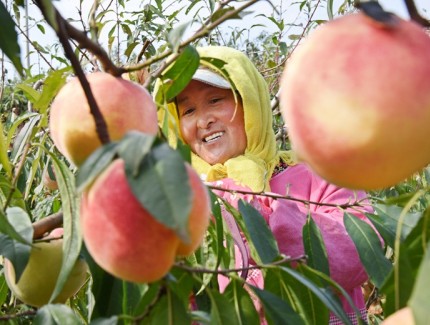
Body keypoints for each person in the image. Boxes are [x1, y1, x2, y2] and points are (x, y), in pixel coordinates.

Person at [156, 46, 374, 324]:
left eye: (215, 100)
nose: (203, 120)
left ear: (250, 103)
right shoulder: (187, 202)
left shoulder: (316, 173)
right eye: (188, 110)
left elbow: (364, 253)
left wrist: (262, 214)